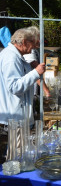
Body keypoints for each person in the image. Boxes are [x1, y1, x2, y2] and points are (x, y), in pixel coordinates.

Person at [0, 27, 46, 163]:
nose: (33, 48)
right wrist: (35, 73)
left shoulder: (14, 56)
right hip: (14, 116)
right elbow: (14, 87)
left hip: (17, 115)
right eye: (33, 44)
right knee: (16, 157)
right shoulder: (10, 58)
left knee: (17, 154)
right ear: (24, 42)